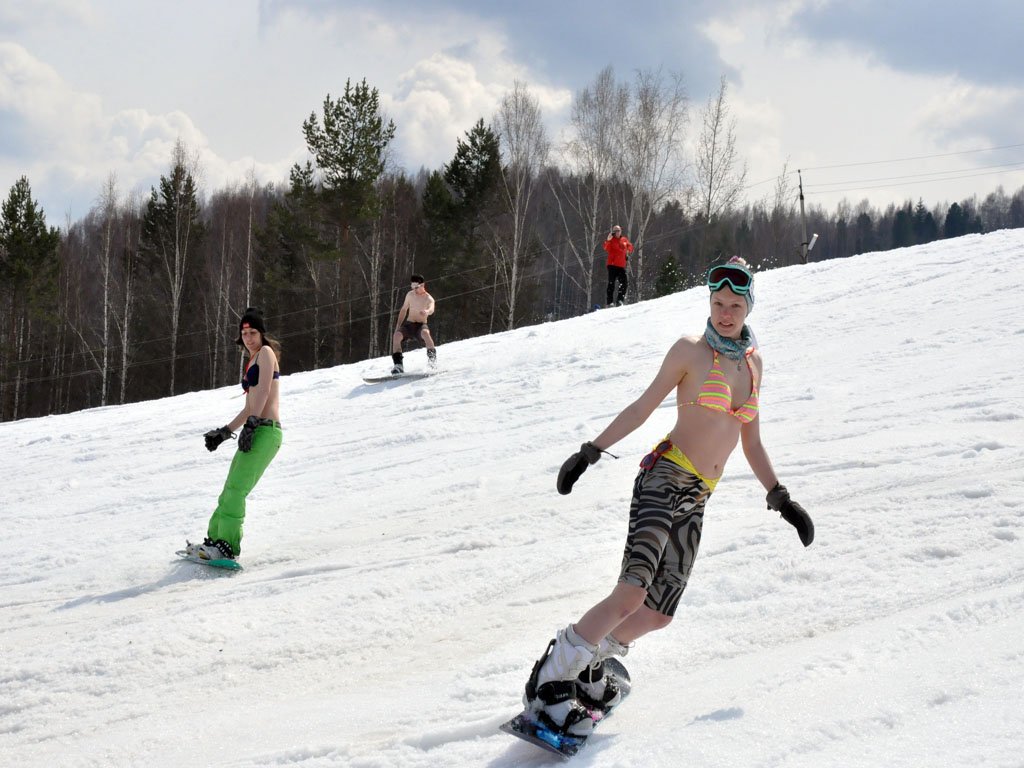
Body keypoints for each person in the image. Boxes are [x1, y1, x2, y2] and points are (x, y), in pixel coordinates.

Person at [521, 256, 814, 737]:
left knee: (657, 613)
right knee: (632, 592)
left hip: (699, 495)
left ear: (748, 305)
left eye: (734, 305)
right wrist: (591, 452)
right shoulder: (690, 352)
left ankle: (591, 667)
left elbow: (751, 441)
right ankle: (551, 681)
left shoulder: (754, 366)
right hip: (664, 478)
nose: (724, 313)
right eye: (717, 303)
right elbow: (643, 406)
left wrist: (781, 498)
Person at [187, 307, 284, 562]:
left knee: (236, 490)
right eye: (244, 333)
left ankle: (226, 547)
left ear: (261, 334)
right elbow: (249, 405)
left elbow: (263, 392)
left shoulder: (265, 353)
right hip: (256, 428)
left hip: (266, 431)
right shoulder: (252, 360)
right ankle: (213, 541)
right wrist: (225, 432)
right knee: (229, 488)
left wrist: (252, 424)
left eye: (253, 332)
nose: (249, 338)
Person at [391, 274, 437, 374]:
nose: (414, 289)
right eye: (412, 287)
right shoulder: (410, 295)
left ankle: (432, 363)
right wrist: (398, 326)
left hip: (421, 326)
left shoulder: (428, 298)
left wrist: (427, 311)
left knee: (426, 333)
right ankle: (398, 366)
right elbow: (403, 310)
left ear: (422, 285)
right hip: (409, 325)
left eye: (416, 287)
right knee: (396, 336)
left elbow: (431, 308)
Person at [602, 225, 634, 307]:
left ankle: (619, 300)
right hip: (612, 265)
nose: (617, 232)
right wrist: (608, 240)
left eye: (619, 230)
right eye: (615, 231)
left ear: (621, 231)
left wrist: (627, 250)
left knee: (624, 282)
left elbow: (630, 247)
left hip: (621, 265)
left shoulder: (624, 239)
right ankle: (610, 302)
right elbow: (606, 248)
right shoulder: (611, 240)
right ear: (613, 232)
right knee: (611, 283)